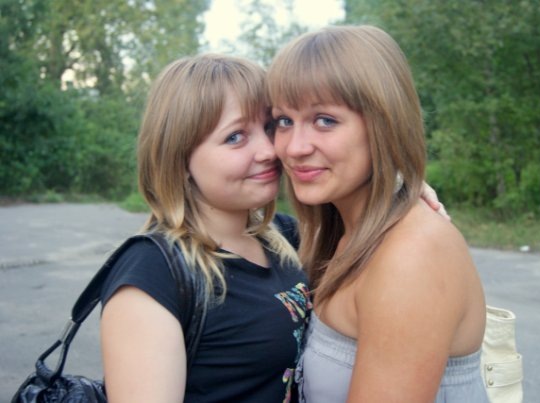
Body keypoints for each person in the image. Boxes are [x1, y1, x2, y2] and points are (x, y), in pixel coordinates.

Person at [267, 25, 489, 402]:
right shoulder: (332, 233)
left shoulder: (412, 254)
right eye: (284, 121)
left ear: (384, 124)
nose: (294, 148)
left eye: (324, 120)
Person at [100, 53, 311, 402]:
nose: (269, 150)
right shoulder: (154, 274)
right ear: (180, 159)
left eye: (270, 126)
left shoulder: (287, 236)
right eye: (236, 137)